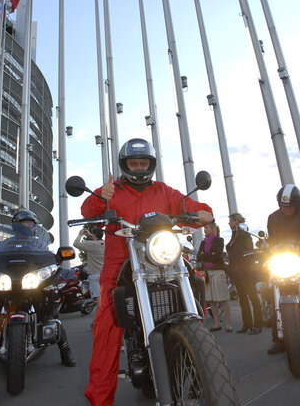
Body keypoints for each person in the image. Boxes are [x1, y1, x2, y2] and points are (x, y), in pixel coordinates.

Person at [81, 138, 213, 406]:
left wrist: (203, 212)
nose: (139, 168)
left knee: (196, 282)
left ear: (151, 165)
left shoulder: (164, 191)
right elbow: (87, 209)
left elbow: (190, 207)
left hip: (163, 259)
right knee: (106, 325)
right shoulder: (112, 190)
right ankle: (100, 399)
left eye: (144, 163)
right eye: (134, 163)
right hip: (121, 262)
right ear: (125, 165)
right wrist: (100, 200)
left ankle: (199, 359)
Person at [0, 209, 76, 367]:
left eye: (32, 223)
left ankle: (66, 351)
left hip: (32, 282)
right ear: (17, 225)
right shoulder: (5, 243)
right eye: (26, 222)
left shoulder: (39, 243)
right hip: (10, 282)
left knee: (52, 312)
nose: (30, 225)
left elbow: (48, 257)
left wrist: (56, 260)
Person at [266, 184, 300, 354]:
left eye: (290, 206)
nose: (286, 209)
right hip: (283, 259)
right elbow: (271, 241)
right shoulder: (273, 218)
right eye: (283, 206)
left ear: (298, 204)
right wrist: (267, 249)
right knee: (275, 292)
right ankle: (279, 340)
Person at [226, 213, 262, 335]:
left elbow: (249, 254)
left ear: (236, 221)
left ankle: (258, 325)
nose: (229, 223)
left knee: (253, 298)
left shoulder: (245, 235)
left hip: (246, 272)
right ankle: (247, 324)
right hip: (237, 273)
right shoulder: (234, 235)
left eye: (230, 221)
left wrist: (245, 268)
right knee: (243, 299)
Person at [197, 221, 233, 332]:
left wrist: (205, 256)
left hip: (217, 271)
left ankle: (228, 324)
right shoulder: (203, 243)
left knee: (222, 299)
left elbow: (217, 255)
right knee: (211, 300)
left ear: (213, 229)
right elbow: (199, 257)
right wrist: (209, 255)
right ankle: (217, 323)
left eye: (207, 227)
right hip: (207, 273)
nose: (205, 230)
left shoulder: (219, 240)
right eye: (204, 228)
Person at [73, 226, 105, 319]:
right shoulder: (105, 244)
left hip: (95, 275)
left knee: (98, 298)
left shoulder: (90, 245)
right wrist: (91, 234)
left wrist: (80, 235)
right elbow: (97, 239)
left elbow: (76, 244)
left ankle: (100, 318)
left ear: (94, 235)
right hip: (104, 274)